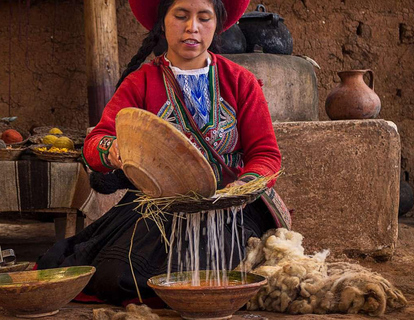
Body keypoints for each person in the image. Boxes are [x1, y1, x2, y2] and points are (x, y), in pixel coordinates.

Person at [37, 0, 291, 306]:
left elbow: (266, 154)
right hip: (157, 206)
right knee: (115, 276)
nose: (192, 27)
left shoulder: (240, 82)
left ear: (217, 25)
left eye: (204, 18)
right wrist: (114, 149)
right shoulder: (141, 82)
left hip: (229, 210)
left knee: (214, 271)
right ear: (163, 22)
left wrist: (242, 187)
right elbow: (96, 142)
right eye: (181, 16)